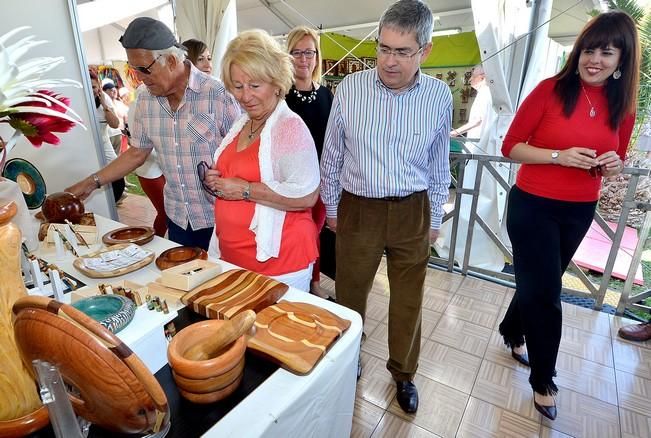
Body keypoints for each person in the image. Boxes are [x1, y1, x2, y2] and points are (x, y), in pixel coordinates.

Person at [497, 11, 639, 421]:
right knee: (545, 295)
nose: (594, 60)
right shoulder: (550, 90)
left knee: (540, 281)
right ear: (577, 53)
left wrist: (612, 164)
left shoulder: (622, 106)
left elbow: (619, 156)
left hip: (579, 209)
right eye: (588, 50)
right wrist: (559, 157)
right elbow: (511, 146)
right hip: (532, 205)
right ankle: (544, 379)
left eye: (606, 52)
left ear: (621, 60)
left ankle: (511, 329)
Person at [320, 0, 452, 414]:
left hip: (413, 210)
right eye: (383, 48)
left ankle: (403, 373)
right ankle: (348, 356)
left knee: (408, 298)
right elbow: (333, 156)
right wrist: (332, 208)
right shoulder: (350, 89)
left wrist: (434, 215)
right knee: (350, 292)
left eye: (402, 52)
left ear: (425, 51)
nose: (389, 61)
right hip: (359, 208)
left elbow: (437, 162)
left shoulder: (438, 95)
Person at [67, 17, 240, 250]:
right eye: (133, 69)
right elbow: (137, 153)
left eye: (143, 69)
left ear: (170, 60)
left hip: (221, 218)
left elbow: (242, 153)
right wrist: (91, 182)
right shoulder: (145, 100)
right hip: (179, 219)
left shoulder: (217, 95)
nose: (138, 77)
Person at [202, 29, 320, 292]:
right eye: (237, 86)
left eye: (255, 86)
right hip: (235, 257)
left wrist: (243, 190)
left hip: (279, 265)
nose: (245, 96)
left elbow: (306, 196)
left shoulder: (289, 128)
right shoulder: (242, 122)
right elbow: (238, 171)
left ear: (276, 82)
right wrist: (217, 179)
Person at [285, 26, 335, 299]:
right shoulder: (280, 95)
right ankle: (300, 282)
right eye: (297, 52)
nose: (304, 59)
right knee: (297, 236)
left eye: (309, 53)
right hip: (289, 184)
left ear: (317, 56)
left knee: (314, 234)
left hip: (321, 183)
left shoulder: (327, 96)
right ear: (288, 55)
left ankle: (313, 284)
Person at [89, 72, 125, 203]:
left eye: (93, 87)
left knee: (117, 176)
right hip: (86, 146)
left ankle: (113, 203)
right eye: (88, 86)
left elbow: (115, 124)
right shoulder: (78, 99)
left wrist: (104, 105)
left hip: (104, 144)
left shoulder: (105, 98)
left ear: (99, 86)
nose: (91, 90)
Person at [450, 65, 492, 139]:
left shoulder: (484, 93)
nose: (470, 79)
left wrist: (454, 133)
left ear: (482, 77)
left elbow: (477, 120)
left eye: (473, 76)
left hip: (478, 141)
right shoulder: (485, 93)